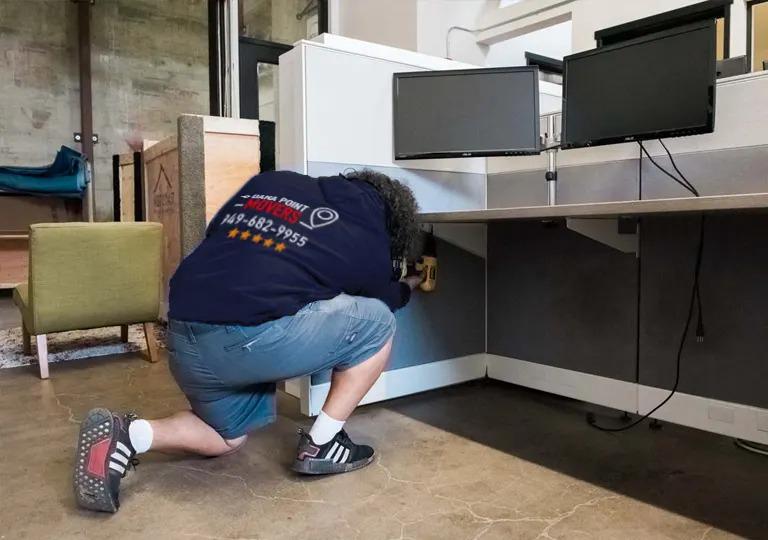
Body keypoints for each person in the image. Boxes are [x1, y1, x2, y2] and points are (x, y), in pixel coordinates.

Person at [73, 169, 423, 513]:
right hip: (246, 340)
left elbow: (218, 235)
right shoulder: (370, 231)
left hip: (182, 333)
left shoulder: (270, 182)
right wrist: (407, 286)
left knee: (224, 438)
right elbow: (380, 297)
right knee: (378, 322)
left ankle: (129, 434)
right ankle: (323, 444)